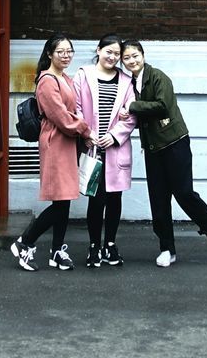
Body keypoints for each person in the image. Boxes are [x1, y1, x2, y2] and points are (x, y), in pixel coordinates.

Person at [120, 38, 207, 267]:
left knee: (183, 193)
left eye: (135, 55)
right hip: (152, 148)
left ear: (143, 55)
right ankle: (167, 249)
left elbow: (162, 105)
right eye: (126, 58)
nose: (131, 61)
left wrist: (131, 107)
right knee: (158, 201)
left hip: (174, 142)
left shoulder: (158, 77)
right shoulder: (129, 83)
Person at [10, 33, 93, 272]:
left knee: (64, 199)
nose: (66, 56)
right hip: (56, 142)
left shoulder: (64, 77)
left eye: (69, 51)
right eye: (61, 52)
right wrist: (86, 130)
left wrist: (80, 129)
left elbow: (71, 112)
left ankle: (57, 250)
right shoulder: (47, 80)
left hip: (66, 143)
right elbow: (61, 117)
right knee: (60, 201)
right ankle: (25, 242)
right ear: (49, 54)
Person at [74, 34, 137, 268]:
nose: (112, 57)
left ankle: (110, 244)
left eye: (117, 54)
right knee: (95, 198)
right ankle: (93, 247)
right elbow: (76, 107)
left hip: (115, 148)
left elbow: (131, 115)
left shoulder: (126, 81)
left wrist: (114, 135)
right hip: (92, 146)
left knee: (114, 198)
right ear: (98, 50)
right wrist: (86, 133)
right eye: (108, 51)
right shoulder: (83, 75)